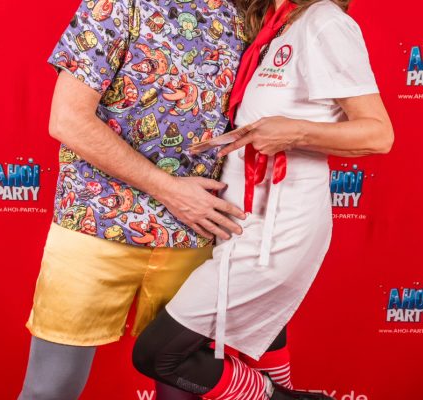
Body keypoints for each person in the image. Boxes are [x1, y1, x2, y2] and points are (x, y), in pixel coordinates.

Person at [132, 0, 394, 399]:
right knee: (265, 336)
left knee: (158, 355)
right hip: (242, 224)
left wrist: (295, 132)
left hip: (280, 229)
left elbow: (378, 134)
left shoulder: (324, 20)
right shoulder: (273, 25)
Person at [17, 0, 250, 398]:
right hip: (95, 223)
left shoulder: (245, 15)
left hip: (193, 235)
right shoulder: (117, 4)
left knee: (184, 387)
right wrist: (168, 189)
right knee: (49, 390)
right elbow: (68, 119)